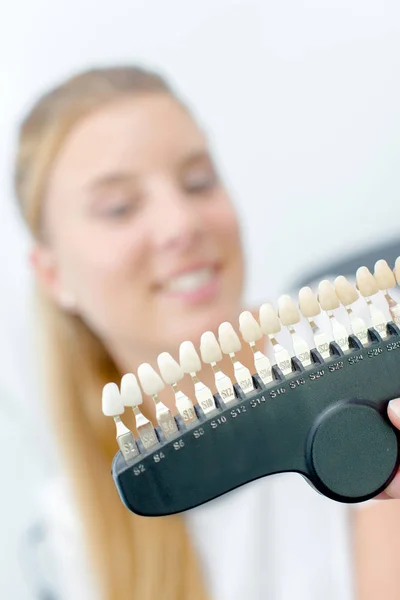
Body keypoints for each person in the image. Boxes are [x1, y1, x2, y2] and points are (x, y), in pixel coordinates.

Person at [13, 65, 400, 600]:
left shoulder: (359, 347)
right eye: (119, 208)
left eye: (199, 182)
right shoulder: (71, 537)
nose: (181, 223)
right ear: (54, 276)